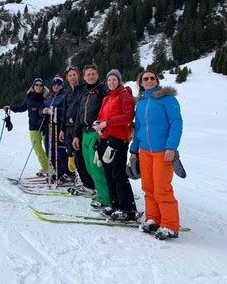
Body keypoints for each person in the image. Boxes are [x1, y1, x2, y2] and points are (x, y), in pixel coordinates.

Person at [129, 70, 183, 240]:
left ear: (157, 81)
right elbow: (138, 129)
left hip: (163, 152)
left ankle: (170, 225)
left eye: (152, 78)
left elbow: (176, 123)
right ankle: (153, 219)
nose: (149, 80)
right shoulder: (142, 103)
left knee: (162, 188)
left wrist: (171, 147)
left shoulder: (168, 100)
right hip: (145, 152)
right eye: (146, 79)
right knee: (148, 188)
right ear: (141, 84)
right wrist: (133, 151)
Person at [95, 69, 137, 221]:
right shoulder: (107, 98)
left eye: (114, 79)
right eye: (109, 80)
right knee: (108, 173)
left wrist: (108, 122)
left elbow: (128, 116)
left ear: (119, 81)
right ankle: (115, 204)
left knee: (118, 173)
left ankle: (128, 208)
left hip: (118, 139)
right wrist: (98, 123)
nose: (111, 82)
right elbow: (100, 116)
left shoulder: (124, 96)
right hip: (105, 138)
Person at [72, 64, 110, 208]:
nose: (91, 76)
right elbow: (79, 116)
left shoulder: (102, 90)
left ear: (97, 75)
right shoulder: (84, 93)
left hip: (96, 133)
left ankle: (105, 198)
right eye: (88, 74)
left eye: (93, 74)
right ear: (84, 76)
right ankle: (100, 191)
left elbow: (113, 95)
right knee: (89, 167)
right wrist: (76, 135)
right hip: (84, 133)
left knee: (97, 167)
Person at [3, 78, 50, 175]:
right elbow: (23, 107)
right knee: (37, 148)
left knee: (49, 149)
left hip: (45, 126)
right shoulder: (29, 96)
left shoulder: (47, 97)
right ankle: (45, 167)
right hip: (33, 126)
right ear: (33, 86)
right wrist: (11, 107)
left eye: (40, 85)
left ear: (43, 87)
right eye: (36, 85)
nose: (38, 87)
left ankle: (53, 169)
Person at [59, 65, 95, 190]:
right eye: (70, 75)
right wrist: (62, 129)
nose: (72, 77)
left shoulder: (83, 89)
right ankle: (85, 182)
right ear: (67, 78)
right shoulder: (68, 92)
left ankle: (89, 184)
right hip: (68, 128)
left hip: (78, 128)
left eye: (74, 74)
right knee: (73, 156)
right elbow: (64, 111)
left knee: (81, 158)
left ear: (78, 76)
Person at [40, 75, 69, 182]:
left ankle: (68, 173)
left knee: (61, 153)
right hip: (49, 127)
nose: (56, 86)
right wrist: (44, 110)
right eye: (54, 84)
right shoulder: (49, 98)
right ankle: (58, 172)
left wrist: (56, 110)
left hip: (60, 127)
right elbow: (41, 107)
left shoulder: (65, 95)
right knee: (49, 152)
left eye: (59, 84)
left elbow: (67, 109)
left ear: (62, 85)